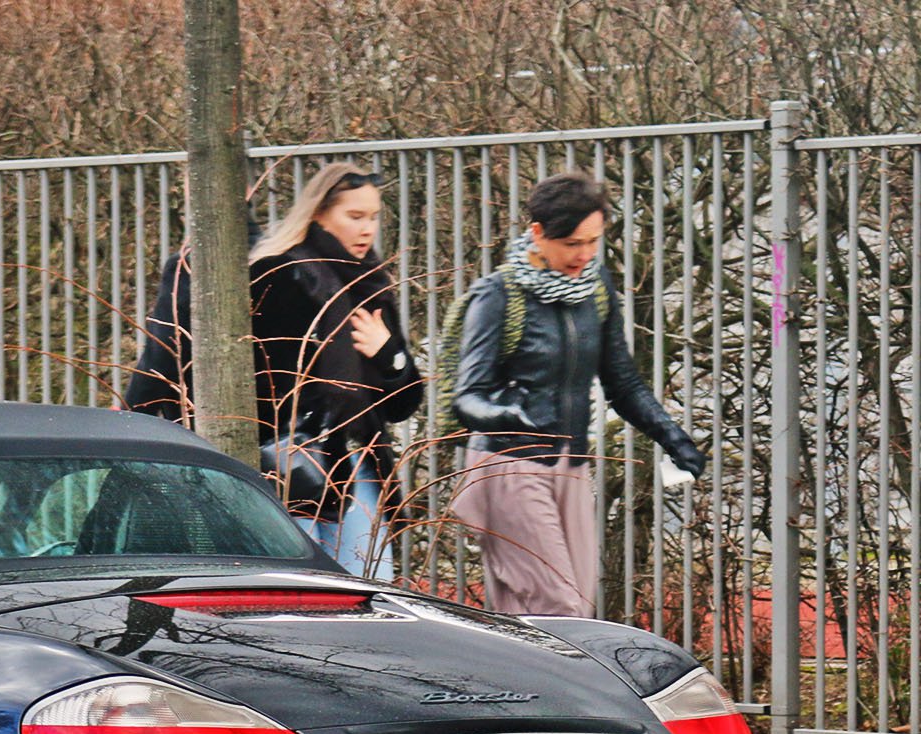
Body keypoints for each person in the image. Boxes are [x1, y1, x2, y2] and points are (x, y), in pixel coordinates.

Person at [125, 162, 423, 578]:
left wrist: (389, 354)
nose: (367, 229)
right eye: (355, 216)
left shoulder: (370, 286)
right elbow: (244, 381)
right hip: (288, 467)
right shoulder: (280, 274)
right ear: (319, 213)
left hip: (359, 464)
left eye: (373, 217)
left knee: (370, 586)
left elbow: (403, 404)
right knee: (300, 588)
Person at [449, 169, 709, 617]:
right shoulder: (498, 295)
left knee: (566, 612)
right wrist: (503, 414)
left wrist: (673, 436)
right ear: (538, 233)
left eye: (593, 242)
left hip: (571, 465)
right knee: (558, 607)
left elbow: (622, 382)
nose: (584, 255)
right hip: (509, 465)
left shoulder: (596, 288)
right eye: (572, 243)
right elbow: (467, 397)